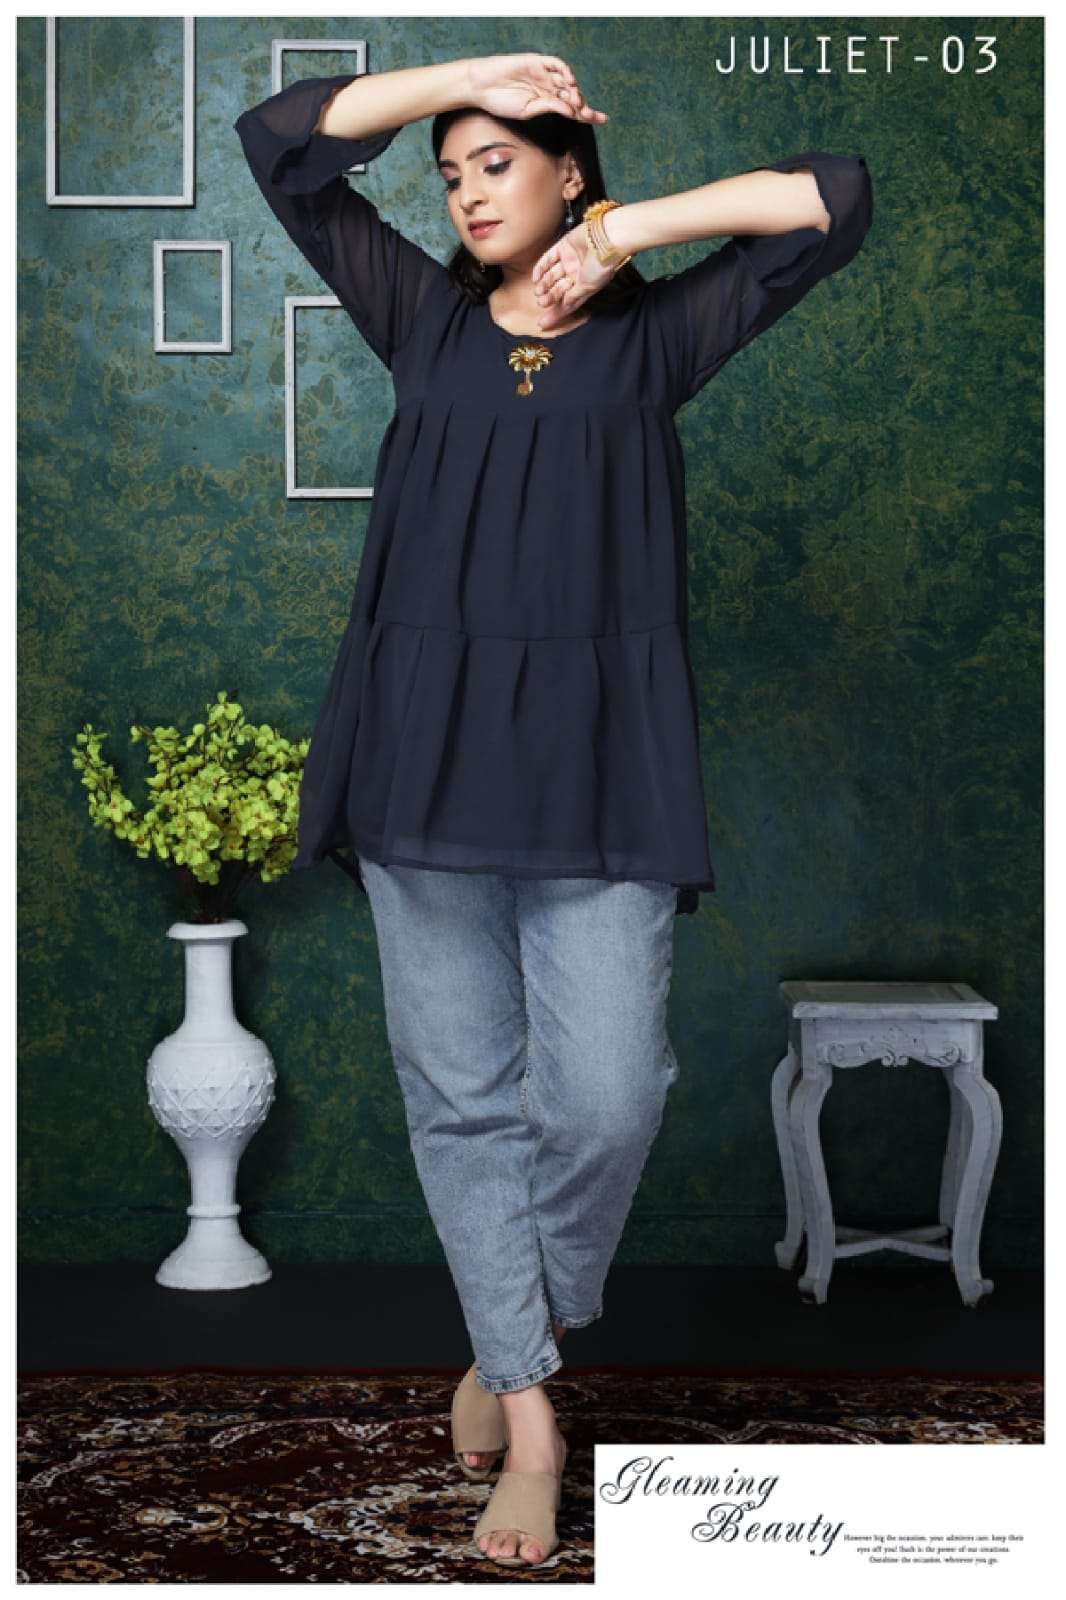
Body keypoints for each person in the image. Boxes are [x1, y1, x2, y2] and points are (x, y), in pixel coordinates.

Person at [234, 50, 873, 1569]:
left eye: (496, 163)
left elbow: (830, 203)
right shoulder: (420, 316)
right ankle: (530, 1414)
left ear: (568, 172)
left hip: (601, 774)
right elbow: (279, 145)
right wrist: (464, 75)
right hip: (423, 764)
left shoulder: (658, 340)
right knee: (460, 1100)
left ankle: (509, 1328)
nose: (464, 192)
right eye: (449, 173)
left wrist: (629, 231)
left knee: (606, 1096)